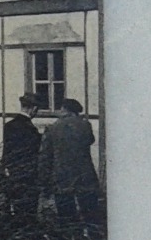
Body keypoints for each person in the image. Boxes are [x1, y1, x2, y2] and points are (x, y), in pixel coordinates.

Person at [39, 97, 103, 228]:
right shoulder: (85, 125)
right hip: (85, 177)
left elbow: (45, 156)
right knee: (91, 214)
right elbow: (90, 140)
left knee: (66, 216)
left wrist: (45, 182)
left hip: (62, 178)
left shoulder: (52, 129)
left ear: (64, 110)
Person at [1, 93, 43, 220]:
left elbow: (6, 149)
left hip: (13, 171)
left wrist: (6, 167)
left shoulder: (9, 126)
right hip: (27, 173)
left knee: (14, 203)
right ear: (33, 109)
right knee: (28, 208)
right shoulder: (30, 129)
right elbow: (35, 152)